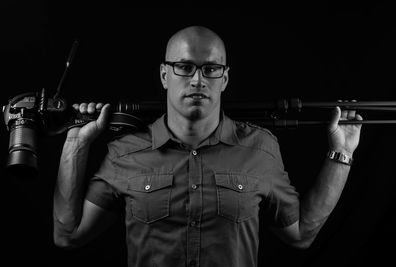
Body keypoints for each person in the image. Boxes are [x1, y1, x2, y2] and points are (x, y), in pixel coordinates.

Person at [53, 25, 362, 267]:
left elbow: (301, 236)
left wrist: (342, 153)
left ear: (224, 79)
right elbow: (67, 237)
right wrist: (75, 145)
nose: (198, 80)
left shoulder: (260, 148)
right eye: (185, 67)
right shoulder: (126, 152)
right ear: (164, 75)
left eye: (210, 69)